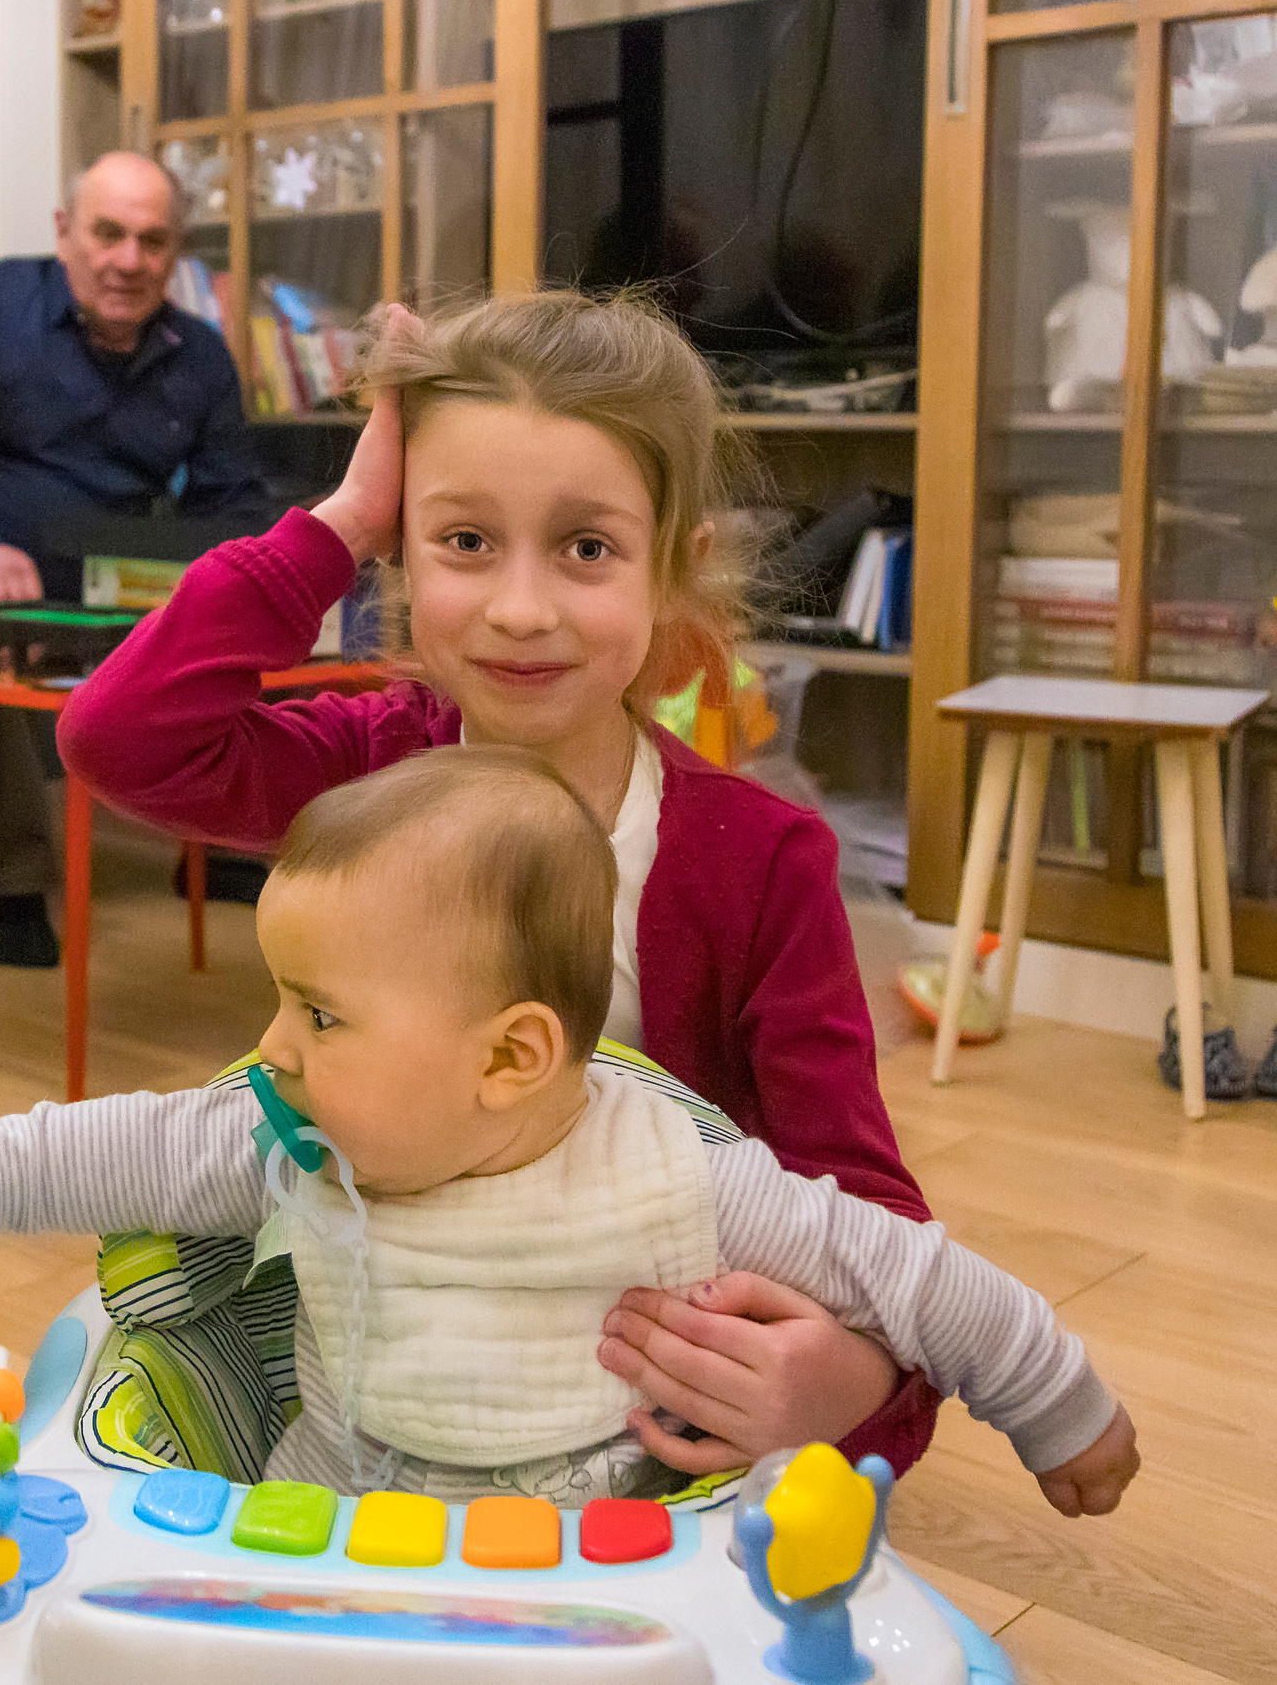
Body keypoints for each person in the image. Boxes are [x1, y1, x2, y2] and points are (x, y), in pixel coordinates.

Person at [56, 292, 945, 1477]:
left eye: (587, 549)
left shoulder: (761, 858)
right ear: (402, 550)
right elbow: (121, 739)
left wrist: (852, 1380)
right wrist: (339, 523)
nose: (521, 611)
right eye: (465, 542)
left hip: (627, 1397)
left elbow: (869, 1218)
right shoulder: (371, 766)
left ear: (671, 572)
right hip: (374, 1353)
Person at [0, 749, 1140, 1513]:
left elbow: (915, 1276)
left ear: (510, 1056)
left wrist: (1059, 1408)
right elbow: (135, 1143)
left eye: (319, 1013)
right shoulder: (297, 1136)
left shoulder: (676, 1176)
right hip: (326, 1517)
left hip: (597, 1560)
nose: (274, 1046)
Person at [0, 151, 274, 967]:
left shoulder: (199, 353)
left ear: (175, 251)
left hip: (118, 581)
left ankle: (222, 841)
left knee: (245, 613)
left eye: (152, 241)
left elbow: (233, 500)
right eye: (108, 234)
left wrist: (214, 583)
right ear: (64, 233)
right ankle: (17, 888)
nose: (129, 260)